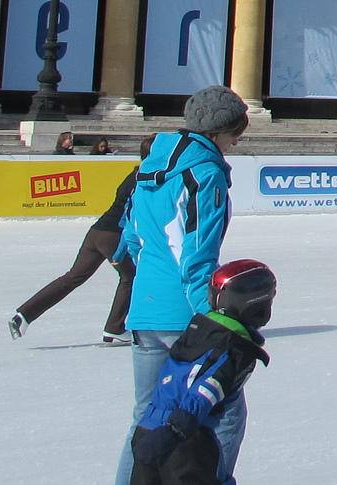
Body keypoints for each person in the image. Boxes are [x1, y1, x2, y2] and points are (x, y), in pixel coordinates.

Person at [114, 86, 248, 485]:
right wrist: (209, 318)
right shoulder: (204, 174)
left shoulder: (150, 168)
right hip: (183, 314)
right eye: (236, 132)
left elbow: (133, 240)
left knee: (147, 417)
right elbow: (196, 251)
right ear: (221, 130)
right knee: (225, 408)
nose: (237, 141)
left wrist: (152, 285)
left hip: (145, 310)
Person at [128, 259, 273, 485]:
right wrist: (176, 430)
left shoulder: (199, 329)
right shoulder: (233, 348)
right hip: (185, 442)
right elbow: (205, 390)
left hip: (147, 430)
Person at [11, 137, 150, 344]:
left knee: (72, 277)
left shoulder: (134, 173)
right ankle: (115, 327)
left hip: (96, 232)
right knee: (130, 276)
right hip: (113, 235)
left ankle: (24, 314)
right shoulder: (146, 178)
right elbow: (131, 213)